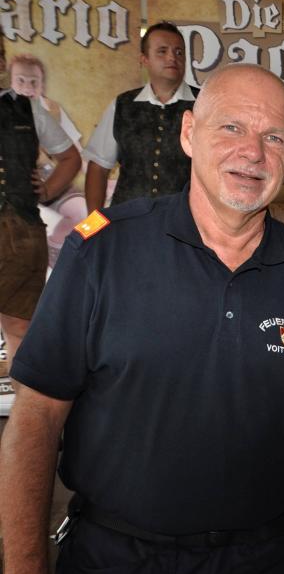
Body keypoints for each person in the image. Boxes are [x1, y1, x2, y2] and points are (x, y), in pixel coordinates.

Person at [0, 64, 284, 574]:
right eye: (231, 127)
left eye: (274, 137)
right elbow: (34, 421)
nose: (252, 152)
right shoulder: (103, 250)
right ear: (188, 134)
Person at [0, 53, 80, 370]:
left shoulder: (27, 108)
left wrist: (47, 189)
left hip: (20, 229)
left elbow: (70, 157)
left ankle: (25, 401)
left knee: (20, 327)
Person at [82, 21, 196, 213]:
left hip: (185, 221)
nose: (172, 57)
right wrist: (95, 224)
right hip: (127, 220)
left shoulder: (205, 104)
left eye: (179, 52)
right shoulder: (122, 105)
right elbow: (98, 168)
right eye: (162, 51)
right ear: (144, 59)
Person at [8, 53, 89, 267]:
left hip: (47, 175)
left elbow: (75, 154)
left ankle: (55, 247)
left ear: (42, 85)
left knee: (89, 215)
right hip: (12, 186)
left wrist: (48, 189)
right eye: (20, 81)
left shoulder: (50, 109)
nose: (27, 87)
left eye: (34, 82)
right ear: (10, 82)